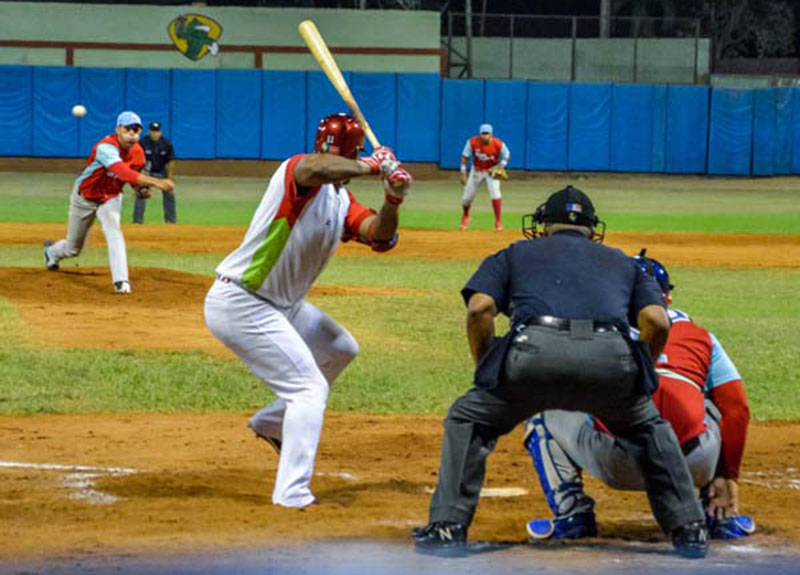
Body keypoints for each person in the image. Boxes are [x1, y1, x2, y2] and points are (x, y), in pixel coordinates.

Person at [412, 185, 708, 559]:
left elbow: (479, 309)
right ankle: (690, 529)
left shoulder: (515, 253)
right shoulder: (621, 261)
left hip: (532, 357)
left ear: (544, 225)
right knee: (648, 428)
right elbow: (656, 321)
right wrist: (639, 372)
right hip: (610, 360)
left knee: (469, 419)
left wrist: (489, 369)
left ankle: (448, 527)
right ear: (591, 229)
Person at [203, 113, 411, 509]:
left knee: (340, 349)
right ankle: (292, 494)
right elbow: (315, 166)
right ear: (353, 155)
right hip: (243, 302)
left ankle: (270, 422)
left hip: (282, 305)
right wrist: (372, 165)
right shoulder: (297, 173)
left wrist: (393, 196)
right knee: (308, 389)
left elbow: (379, 235)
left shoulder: (340, 199)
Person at [523, 251, 754, 541]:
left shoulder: (592, 329)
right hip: (693, 465)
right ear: (667, 298)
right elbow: (738, 408)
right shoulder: (701, 336)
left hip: (616, 463)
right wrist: (728, 475)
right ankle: (717, 513)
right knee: (715, 404)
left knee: (542, 407)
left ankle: (572, 514)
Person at [43, 111, 175, 294]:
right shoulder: (105, 148)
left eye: (136, 131)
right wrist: (158, 182)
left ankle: (121, 282)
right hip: (85, 198)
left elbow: (131, 180)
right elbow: (123, 172)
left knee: (114, 231)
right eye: (128, 129)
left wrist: (140, 190)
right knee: (73, 249)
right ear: (118, 129)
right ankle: (52, 253)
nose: (132, 134)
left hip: (111, 197)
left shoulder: (138, 153)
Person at [459, 123, 510, 231]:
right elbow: (464, 157)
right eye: (483, 134)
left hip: (492, 171)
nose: (485, 136)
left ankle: (498, 221)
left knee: (495, 193)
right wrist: (463, 173)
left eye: (487, 134)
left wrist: (501, 166)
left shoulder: (498, 144)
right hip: (477, 171)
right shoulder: (472, 142)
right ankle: (466, 215)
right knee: (466, 198)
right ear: (480, 134)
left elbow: (507, 155)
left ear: (491, 134)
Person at [133, 121, 176, 224]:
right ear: (149, 132)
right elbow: (136, 159)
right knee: (141, 193)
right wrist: (138, 178)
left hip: (161, 172)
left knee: (169, 193)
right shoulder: (142, 143)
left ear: (160, 132)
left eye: (157, 131)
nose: (155, 134)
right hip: (146, 173)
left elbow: (171, 161)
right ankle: (137, 221)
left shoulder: (166, 144)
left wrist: (170, 177)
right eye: (153, 131)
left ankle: (171, 220)